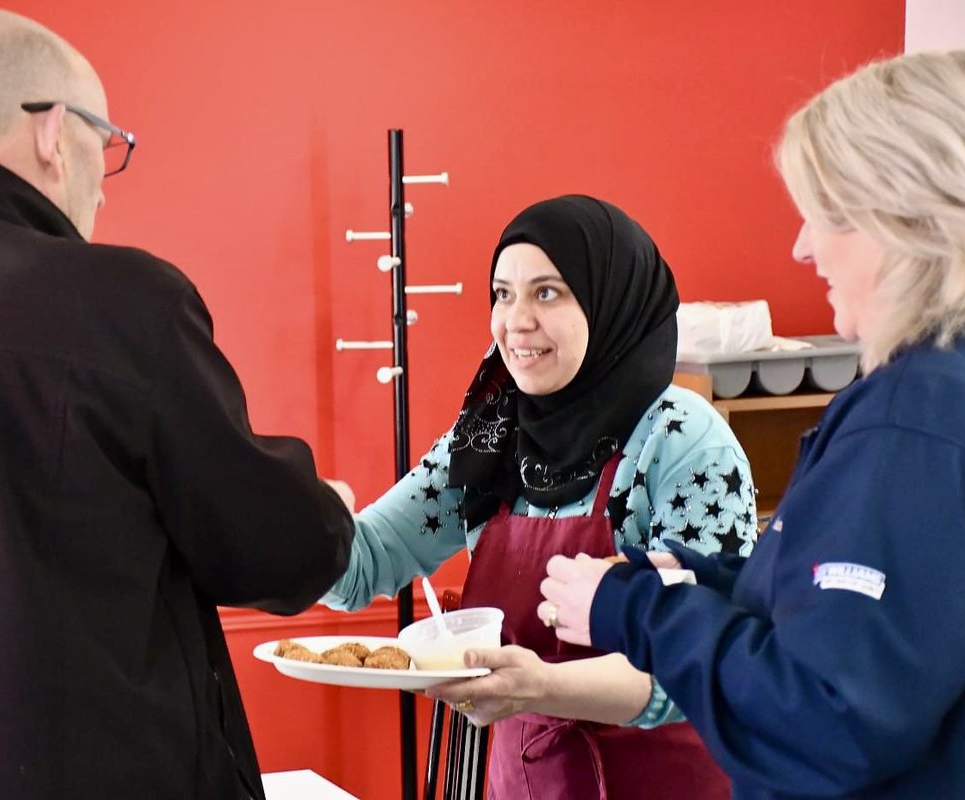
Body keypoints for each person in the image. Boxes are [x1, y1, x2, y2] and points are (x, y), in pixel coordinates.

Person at [0, 8, 353, 799]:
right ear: (55, 132)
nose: (101, 183)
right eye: (106, 144)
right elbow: (276, 549)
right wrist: (323, 506)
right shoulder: (121, 302)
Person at [540, 50, 965, 800]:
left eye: (824, 215)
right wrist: (724, 586)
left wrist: (636, 608)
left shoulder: (914, 420)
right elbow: (897, 623)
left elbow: (830, 717)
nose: (801, 247)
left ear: (902, 213)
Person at [324, 194, 759, 798]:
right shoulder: (490, 435)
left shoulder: (681, 440)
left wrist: (541, 686)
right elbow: (364, 562)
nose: (515, 321)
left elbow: (703, 663)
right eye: (502, 294)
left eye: (547, 292)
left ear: (611, 300)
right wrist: (295, 511)